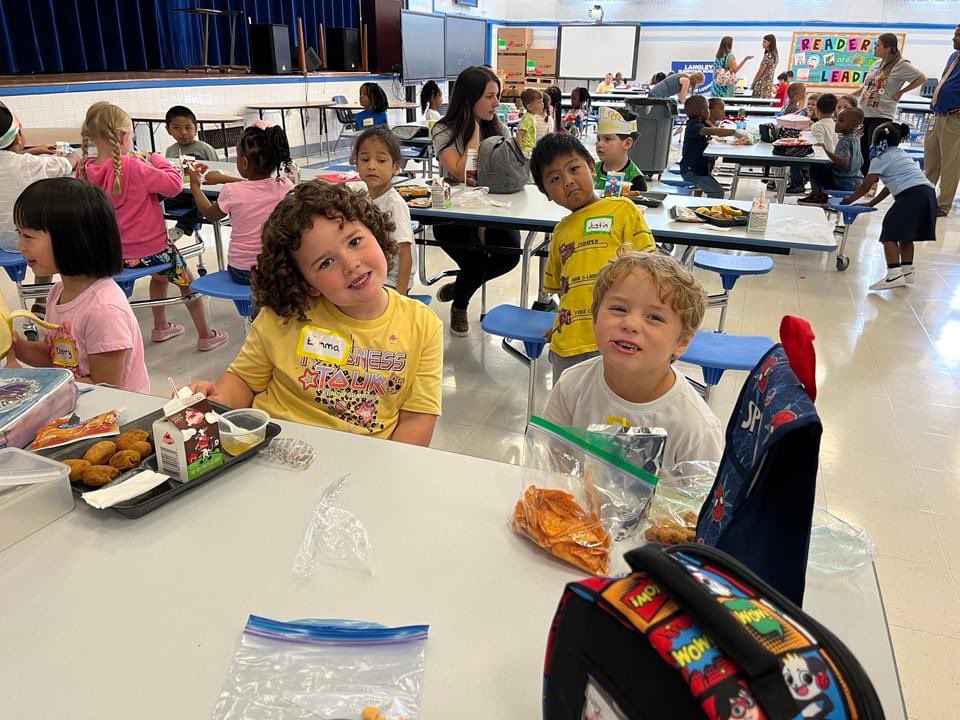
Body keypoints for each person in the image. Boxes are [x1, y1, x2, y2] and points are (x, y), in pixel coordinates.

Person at [189, 182, 443, 445]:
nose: (350, 264)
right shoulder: (286, 314)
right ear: (308, 283)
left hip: (364, 458)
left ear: (376, 233)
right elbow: (244, 381)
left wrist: (390, 468)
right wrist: (218, 401)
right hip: (274, 448)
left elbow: (417, 418)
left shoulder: (422, 325)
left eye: (354, 241)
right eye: (326, 262)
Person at [542, 249, 723, 467]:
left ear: (682, 342)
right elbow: (551, 467)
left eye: (654, 317)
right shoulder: (571, 386)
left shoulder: (696, 427)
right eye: (619, 309)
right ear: (595, 319)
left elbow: (705, 487)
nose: (631, 324)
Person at [77, 101, 228, 352]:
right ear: (123, 137)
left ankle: (161, 326)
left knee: (159, 276)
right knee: (185, 280)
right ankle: (205, 334)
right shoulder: (132, 166)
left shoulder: (84, 168)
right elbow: (173, 185)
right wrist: (157, 159)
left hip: (111, 255)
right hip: (153, 250)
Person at [529, 133, 655, 377]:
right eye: (555, 179)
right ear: (546, 193)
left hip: (620, 339)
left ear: (591, 167)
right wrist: (561, 322)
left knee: (616, 400)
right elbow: (563, 290)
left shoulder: (623, 210)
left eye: (574, 169)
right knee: (569, 400)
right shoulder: (560, 232)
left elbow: (651, 271)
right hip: (569, 345)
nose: (568, 181)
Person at [9, 177, 149, 392]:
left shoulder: (104, 311)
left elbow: (106, 389)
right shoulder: (58, 292)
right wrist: (15, 345)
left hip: (115, 410)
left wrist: (32, 385)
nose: (20, 246)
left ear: (71, 240)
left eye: (28, 236)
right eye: (19, 233)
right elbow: (55, 357)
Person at [431, 66, 521, 336]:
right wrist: (474, 134)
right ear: (469, 99)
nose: (496, 103)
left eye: (498, 96)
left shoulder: (500, 127)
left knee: (510, 256)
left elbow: (510, 172)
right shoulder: (443, 130)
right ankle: (460, 305)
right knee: (476, 261)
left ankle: (461, 286)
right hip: (453, 213)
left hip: (494, 210)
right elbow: (464, 174)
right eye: (490, 96)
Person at [187, 121, 294, 284]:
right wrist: (224, 178)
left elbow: (210, 215)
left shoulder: (232, 191)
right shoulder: (286, 186)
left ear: (244, 162)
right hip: (277, 269)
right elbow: (258, 187)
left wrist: (195, 186)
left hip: (243, 271)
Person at [0, 102, 79, 315]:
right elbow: (68, 164)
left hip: (2, 241)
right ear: (18, 137)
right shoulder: (28, 164)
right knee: (49, 229)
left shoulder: (25, 161)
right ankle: (46, 299)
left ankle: (40, 301)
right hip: (22, 239)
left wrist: (33, 151)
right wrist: (72, 155)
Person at [841, 121, 937, 290]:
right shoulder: (901, 154)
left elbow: (866, 185)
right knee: (906, 235)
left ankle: (894, 275)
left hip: (911, 195)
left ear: (877, 139)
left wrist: (849, 199)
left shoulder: (880, 157)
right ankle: (907, 272)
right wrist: (871, 203)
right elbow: (889, 186)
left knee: (889, 232)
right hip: (927, 194)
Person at [352, 127, 416, 295]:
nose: (371, 166)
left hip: (392, 281)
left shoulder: (395, 205)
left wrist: (401, 298)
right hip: (372, 273)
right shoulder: (359, 195)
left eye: (381, 160)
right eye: (365, 159)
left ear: (395, 167)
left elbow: (405, 255)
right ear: (356, 163)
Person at [852, 33, 926, 176]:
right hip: (865, 113)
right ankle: (862, 178)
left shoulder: (901, 65)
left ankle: (872, 181)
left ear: (888, 48)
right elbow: (867, 86)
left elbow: (921, 77)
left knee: (874, 150)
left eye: (878, 45)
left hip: (881, 114)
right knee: (862, 150)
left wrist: (901, 92)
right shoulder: (877, 64)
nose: (875, 48)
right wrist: (850, 96)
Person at [163, 105, 219, 242]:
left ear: (196, 128)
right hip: (183, 192)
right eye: (176, 128)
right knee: (158, 201)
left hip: (204, 193)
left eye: (188, 128)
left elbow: (217, 173)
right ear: (168, 130)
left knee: (201, 205)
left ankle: (181, 228)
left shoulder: (204, 149)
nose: (183, 132)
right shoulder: (170, 151)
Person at [925, 24, 960, 217]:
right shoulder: (954, 56)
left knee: (950, 164)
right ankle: (926, 198)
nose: (954, 38)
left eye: (958, 35)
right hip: (938, 115)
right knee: (931, 160)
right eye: (955, 34)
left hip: (954, 119)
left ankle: (943, 204)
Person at [680, 95, 744, 198]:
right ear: (703, 112)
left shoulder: (701, 122)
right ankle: (711, 208)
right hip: (692, 170)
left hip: (699, 168)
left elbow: (713, 128)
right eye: (708, 109)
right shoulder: (693, 126)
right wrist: (733, 132)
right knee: (717, 192)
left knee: (715, 189)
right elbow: (712, 131)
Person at [800, 108, 864, 205]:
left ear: (853, 125)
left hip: (843, 181)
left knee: (815, 167)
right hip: (856, 181)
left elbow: (844, 162)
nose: (836, 123)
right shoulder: (856, 139)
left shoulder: (844, 141)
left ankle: (818, 196)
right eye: (836, 120)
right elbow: (861, 161)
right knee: (825, 166)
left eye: (841, 121)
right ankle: (819, 195)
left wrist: (826, 151)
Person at [593, 107, 648, 192]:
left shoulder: (636, 180)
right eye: (598, 139)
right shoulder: (591, 170)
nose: (599, 144)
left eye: (607, 139)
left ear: (627, 143)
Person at [516, 88, 543, 159]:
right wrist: (519, 151)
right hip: (526, 151)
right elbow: (519, 135)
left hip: (529, 150)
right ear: (530, 107)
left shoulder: (531, 117)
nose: (542, 104)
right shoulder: (528, 118)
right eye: (539, 102)